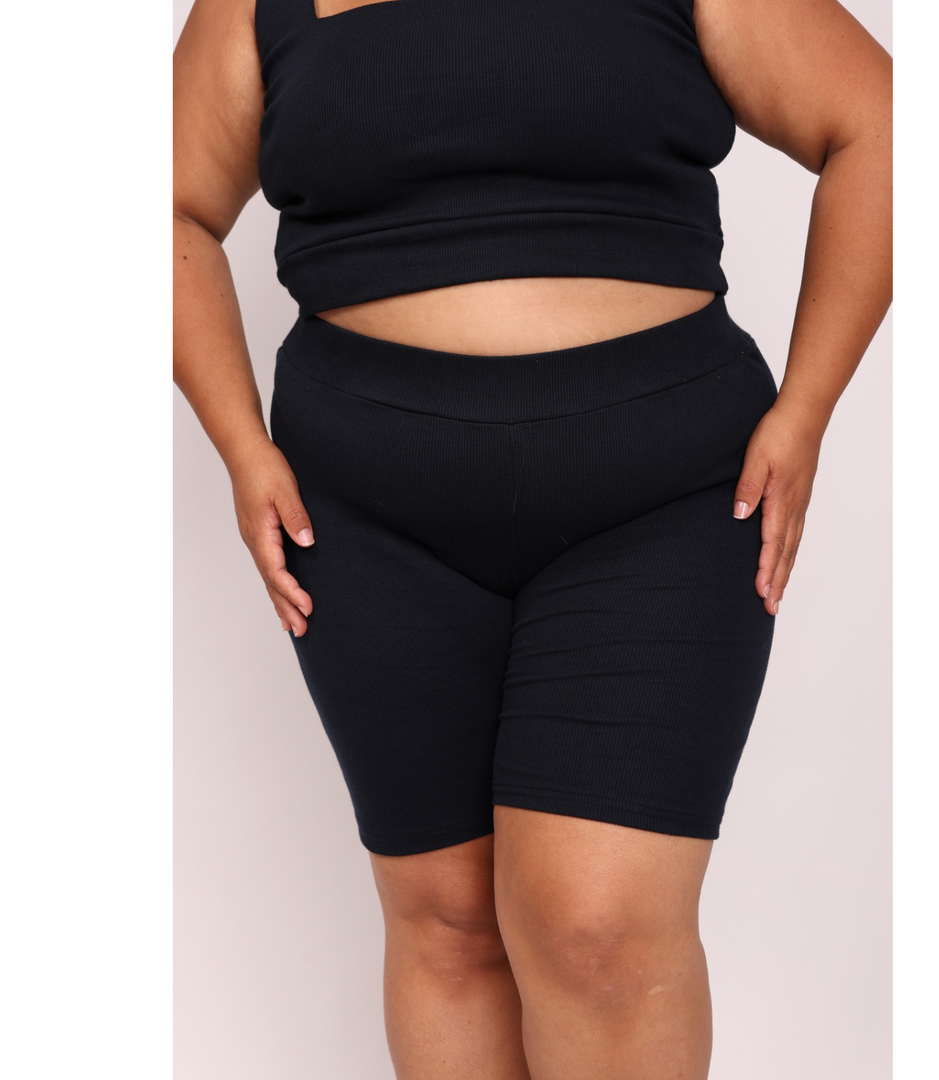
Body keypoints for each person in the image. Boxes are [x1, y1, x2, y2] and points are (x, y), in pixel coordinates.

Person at [173, 0, 891, 1074]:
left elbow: (879, 122)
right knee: (448, 924)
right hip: (368, 520)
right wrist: (239, 443)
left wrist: (810, 406)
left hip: (657, 499)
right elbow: (167, 207)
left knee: (600, 931)